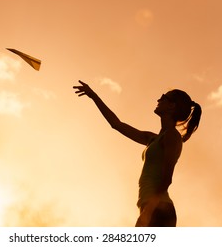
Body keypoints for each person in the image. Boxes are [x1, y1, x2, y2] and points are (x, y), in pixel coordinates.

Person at [73, 80, 201, 227]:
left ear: (172, 106)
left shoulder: (172, 136)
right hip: (151, 208)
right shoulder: (153, 138)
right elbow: (117, 124)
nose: (159, 99)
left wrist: (148, 211)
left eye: (164, 97)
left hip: (159, 210)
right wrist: (93, 96)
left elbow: (167, 179)